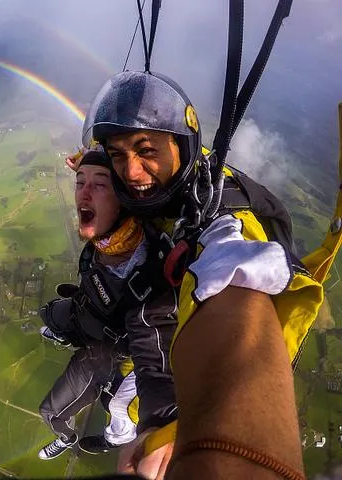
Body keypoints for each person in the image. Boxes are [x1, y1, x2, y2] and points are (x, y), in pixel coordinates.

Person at [78, 70, 324, 479]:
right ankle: (121, 429)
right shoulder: (179, 179)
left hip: (169, 365)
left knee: (123, 404)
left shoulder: (222, 221)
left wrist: (187, 430)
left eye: (145, 151)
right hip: (149, 343)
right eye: (117, 156)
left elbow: (235, 280)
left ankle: (121, 432)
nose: (131, 172)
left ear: (182, 145)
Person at [37, 148, 178, 463]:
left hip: (105, 354)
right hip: (87, 310)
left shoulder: (149, 274)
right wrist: (93, 156)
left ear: (125, 198)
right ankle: (64, 330)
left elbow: (156, 365)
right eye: (79, 182)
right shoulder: (108, 236)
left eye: (99, 184)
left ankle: (68, 436)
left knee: (52, 411)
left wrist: (155, 432)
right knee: (47, 314)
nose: (83, 193)